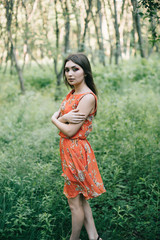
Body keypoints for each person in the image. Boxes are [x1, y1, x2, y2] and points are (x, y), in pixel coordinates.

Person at [51, 53, 106, 240]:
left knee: (74, 203)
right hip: (68, 150)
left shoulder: (87, 97)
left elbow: (69, 131)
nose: (70, 73)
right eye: (67, 69)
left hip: (76, 151)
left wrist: (54, 119)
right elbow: (64, 121)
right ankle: (94, 236)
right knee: (81, 198)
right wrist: (62, 119)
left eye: (75, 69)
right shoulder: (72, 94)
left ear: (85, 72)